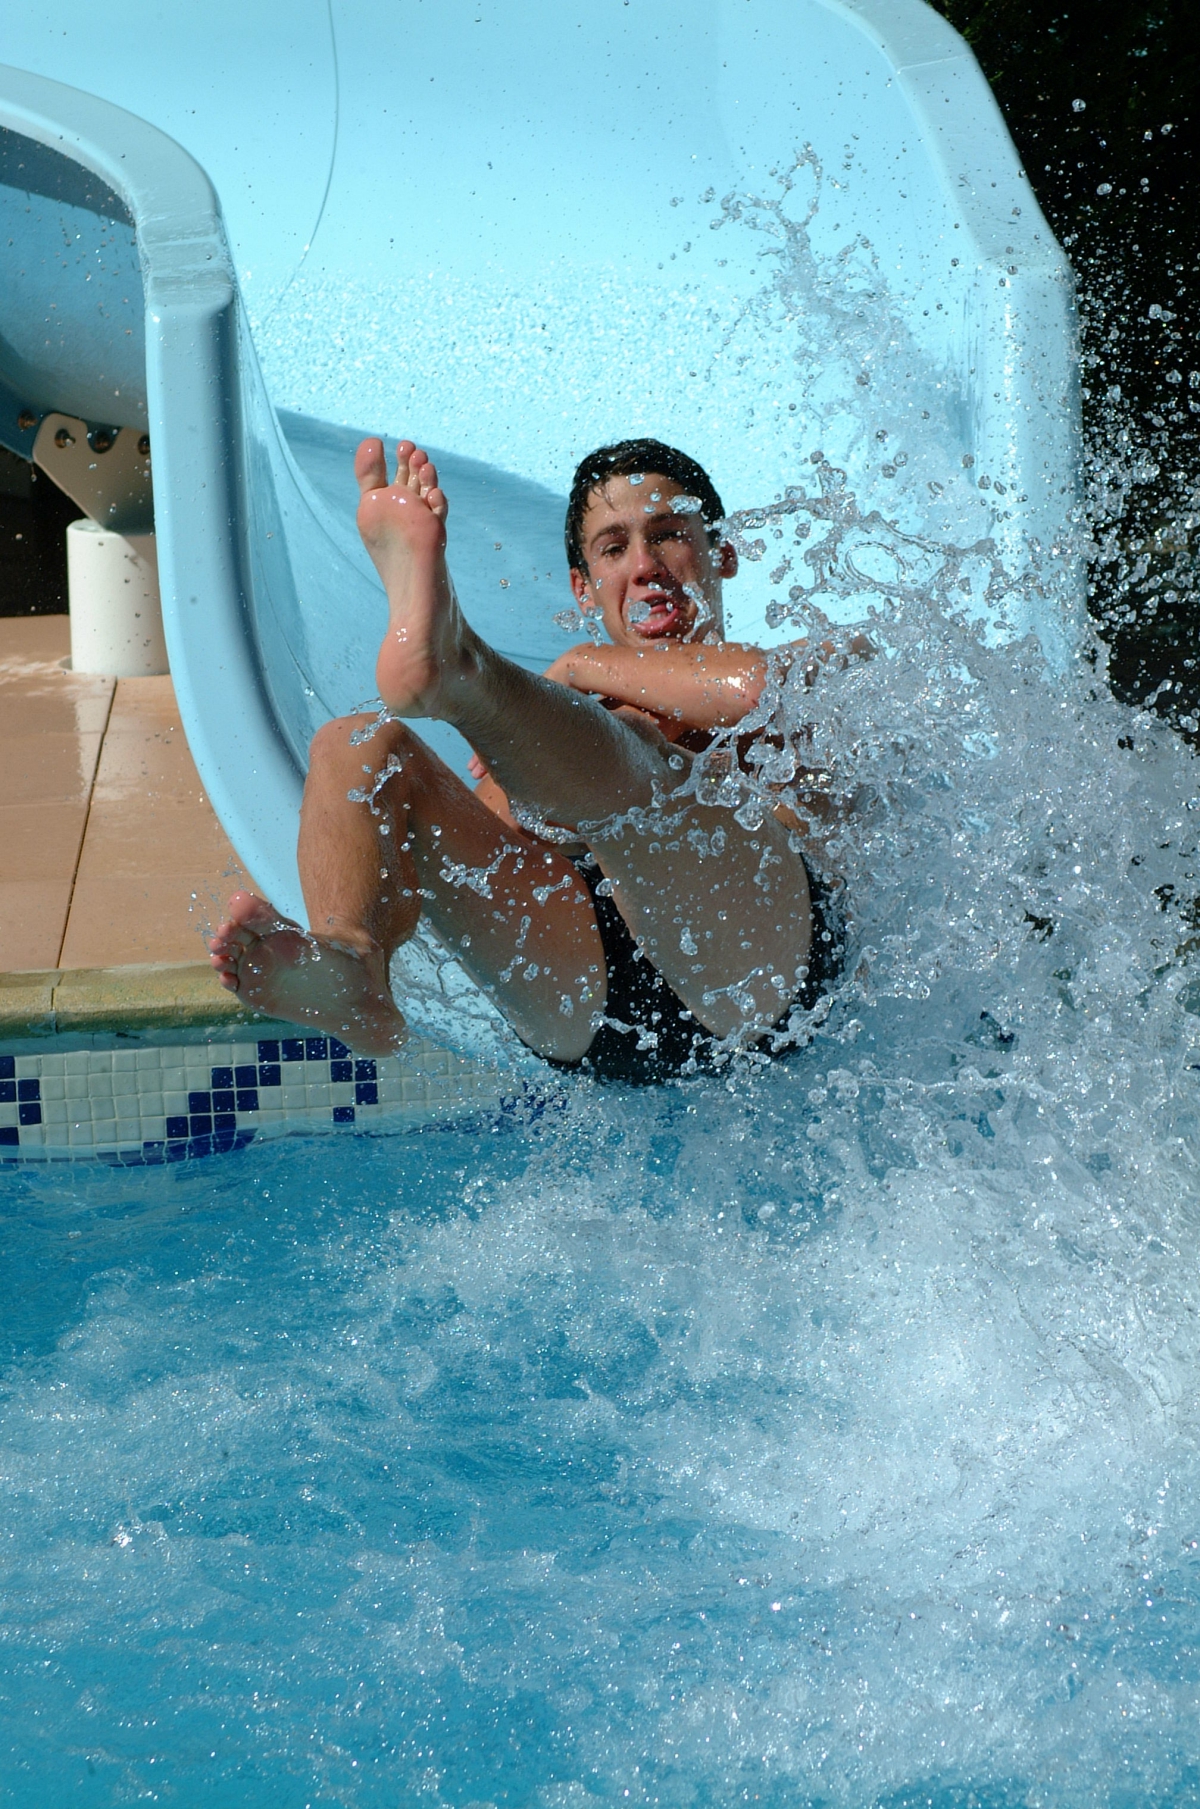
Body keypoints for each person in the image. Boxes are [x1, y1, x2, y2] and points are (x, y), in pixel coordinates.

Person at [208, 436, 844, 1081]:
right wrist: (546, 771)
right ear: (583, 588)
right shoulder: (562, 725)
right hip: (584, 993)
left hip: (765, 972)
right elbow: (493, 854)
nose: (645, 563)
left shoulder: (821, 662)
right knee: (355, 743)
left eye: (670, 534)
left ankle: (460, 668)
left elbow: (759, 692)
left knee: (643, 766)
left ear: (723, 553)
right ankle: (350, 965)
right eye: (614, 548)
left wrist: (580, 666)